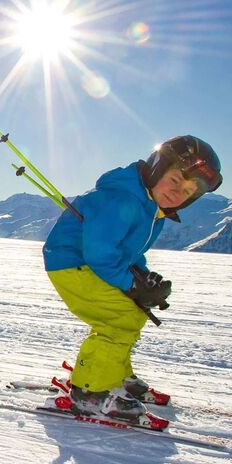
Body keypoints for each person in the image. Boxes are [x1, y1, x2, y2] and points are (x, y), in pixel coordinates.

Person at [43, 135, 222, 424]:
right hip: (72, 262)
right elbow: (100, 252)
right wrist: (129, 284)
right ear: (156, 168)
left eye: (188, 191)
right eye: (175, 180)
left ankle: (114, 375)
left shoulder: (153, 209)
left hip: (89, 262)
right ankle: (92, 392)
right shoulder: (123, 199)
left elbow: (128, 250)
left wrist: (143, 277)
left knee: (133, 312)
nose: (178, 193)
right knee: (119, 317)